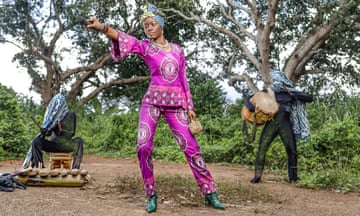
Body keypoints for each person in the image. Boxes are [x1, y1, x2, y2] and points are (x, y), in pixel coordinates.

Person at [86, 3, 225, 213]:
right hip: (151, 102)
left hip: (176, 106)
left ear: (161, 25)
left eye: (152, 24)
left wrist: (190, 107)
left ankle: (210, 193)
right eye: (146, 26)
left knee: (192, 148)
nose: (149, 28)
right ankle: (151, 193)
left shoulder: (178, 50)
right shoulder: (145, 46)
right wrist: (103, 28)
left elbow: (183, 79)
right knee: (143, 146)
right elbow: (126, 39)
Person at [247, 70, 313, 184]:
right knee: (262, 148)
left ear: (283, 80)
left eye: (278, 79)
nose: (276, 82)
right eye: (274, 79)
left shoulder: (291, 92)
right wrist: (258, 106)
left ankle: (293, 177)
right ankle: (257, 176)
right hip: (272, 123)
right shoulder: (267, 92)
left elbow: (309, 98)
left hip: (285, 123)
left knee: (292, 150)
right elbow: (249, 102)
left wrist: (293, 94)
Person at [22, 93, 84, 170]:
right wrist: (45, 131)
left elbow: (72, 132)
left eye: (58, 104)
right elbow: (49, 133)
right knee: (36, 141)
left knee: (79, 141)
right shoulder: (53, 117)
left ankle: (75, 168)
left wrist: (62, 132)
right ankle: (39, 167)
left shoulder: (70, 115)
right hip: (54, 145)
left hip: (66, 145)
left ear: (63, 104)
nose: (57, 107)